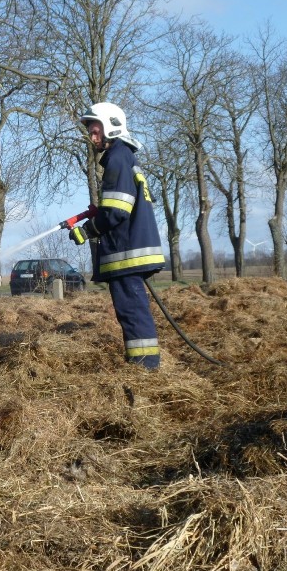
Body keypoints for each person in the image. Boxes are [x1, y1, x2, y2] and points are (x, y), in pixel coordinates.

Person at [64, 102, 165, 371]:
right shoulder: (123, 157)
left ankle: (145, 366)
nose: (91, 136)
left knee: (132, 312)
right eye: (90, 131)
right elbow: (118, 205)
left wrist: (87, 230)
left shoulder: (118, 158)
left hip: (127, 253)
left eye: (95, 129)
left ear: (111, 127)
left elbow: (117, 211)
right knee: (133, 311)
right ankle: (144, 364)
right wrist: (95, 213)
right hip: (131, 249)